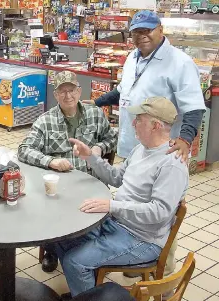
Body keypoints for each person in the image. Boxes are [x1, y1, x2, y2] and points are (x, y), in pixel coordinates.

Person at [83, 10, 205, 277]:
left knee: (162, 213)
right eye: (137, 32)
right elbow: (125, 91)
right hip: (135, 144)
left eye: (147, 30)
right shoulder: (133, 57)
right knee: (131, 192)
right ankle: (130, 254)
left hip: (163, 149)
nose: (142, 36)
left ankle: (161, 269)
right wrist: (99, 102)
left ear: (161, 29)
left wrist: (185, 139)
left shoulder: (180, 62)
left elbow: (195, 106)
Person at [56, 96, 188, 299]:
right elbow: (117, 177)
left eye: (139, 120)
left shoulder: (171, 164)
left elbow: (159, 212)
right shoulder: (140, 150)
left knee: (76, 261)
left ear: (156, 125)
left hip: (143, 238)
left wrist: (112, 206)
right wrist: (90, 156)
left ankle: (85, 294)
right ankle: (84, 294)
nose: (133, 123)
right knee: (62, 237)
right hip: (117, 223)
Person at [18, 70, 117, 273]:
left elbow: (112, 138)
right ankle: (52, 249)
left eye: (71, 90)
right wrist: (51, 161)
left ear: (79, 91)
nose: (68, 96)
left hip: (91, 182)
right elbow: (23, 150)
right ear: (55, 95)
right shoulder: (45, 120)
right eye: (62, 91)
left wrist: (99, 148)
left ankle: (89, 248)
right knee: (50, 205)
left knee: (93, 217)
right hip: (59, 186)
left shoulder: (95, 114)